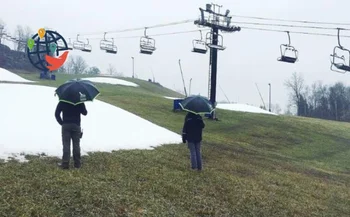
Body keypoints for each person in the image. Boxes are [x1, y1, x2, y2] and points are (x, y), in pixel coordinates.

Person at [55, 101, 87, 169]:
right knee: (76, 145)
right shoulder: (79, 101)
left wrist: (62, 123)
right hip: (76, 125)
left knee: (66, 145)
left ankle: (65, 164)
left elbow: (56, 114)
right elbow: (85, 113)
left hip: (66, 125)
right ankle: (77, 164)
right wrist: (81, 104)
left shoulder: (63, 101)